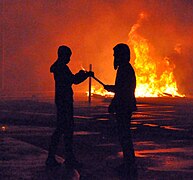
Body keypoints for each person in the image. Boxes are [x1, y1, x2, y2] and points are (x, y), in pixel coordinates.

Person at [46, 45, 93, 168]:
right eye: (68, 56)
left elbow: (72, 79)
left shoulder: (59, 67)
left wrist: (82, 75)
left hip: (62, 101)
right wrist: (85, 75)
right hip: (64, 102)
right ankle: (58, 158)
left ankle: (62, 157)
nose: (69, 59)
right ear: (63, 55)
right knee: (64, 130)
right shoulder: (62, 68)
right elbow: (73, 80)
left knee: (64, 130)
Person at [104, 43, 137, 176]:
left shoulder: (124, 69)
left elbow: (122, 90)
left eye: (116, 54)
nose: (114, 56)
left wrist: (112, 94)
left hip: (124, 106)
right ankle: (129, 162)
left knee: (125, 135)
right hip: (125, 105)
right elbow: (121, 89)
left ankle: (129, 164)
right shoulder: (125, 68)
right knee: (124, 135)